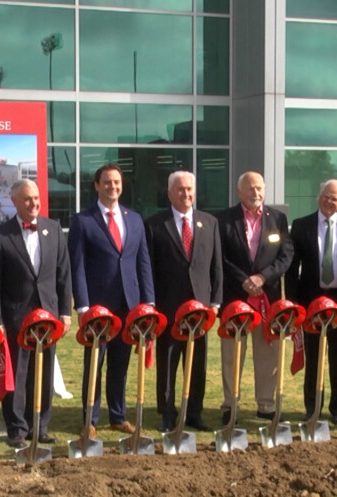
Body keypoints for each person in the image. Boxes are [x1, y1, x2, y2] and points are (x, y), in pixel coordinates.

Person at [68, 163, 155, 437]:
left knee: (120, 365)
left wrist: (148, 303)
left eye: (116, 182)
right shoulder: (83, 221)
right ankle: (89, 421)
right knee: (94, 364)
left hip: (128, 306)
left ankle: (118, 416)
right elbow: (77, 266)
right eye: (107, 182)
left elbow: (143, 263)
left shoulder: (134, 219)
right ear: (96, 185)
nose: (112, 187)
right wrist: (82, 306)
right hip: (97, 309)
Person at [0, 179, 72, 448]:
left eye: (36, 198)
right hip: (15, 318)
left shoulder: (53, 229)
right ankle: (16, 428)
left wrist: (64, 312)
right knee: (18, 373)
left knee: (45, 371)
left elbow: (63, 274)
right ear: (14, 201)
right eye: (27, 199)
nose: (33, 203)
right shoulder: (0, 236)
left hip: (48, 318)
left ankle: (40, 424)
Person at [145, 170, 223, 432]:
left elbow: (216, 267)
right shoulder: (155, 224)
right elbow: (149, 267)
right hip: (168, 307)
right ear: (170, 193)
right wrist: (151, 303)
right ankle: (167, 413)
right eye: (180, 189)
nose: (186, 194)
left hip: (201, 309)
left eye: (189, 189)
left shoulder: (209, 222)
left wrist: (215, 302)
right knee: (167, 362)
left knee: (198, 362)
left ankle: (194, 412)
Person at [285, 179, 337, 423]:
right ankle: (313, 407)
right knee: (314, 357)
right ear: (319, 197)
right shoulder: (301, 225)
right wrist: (293, 303)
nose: (329, 201)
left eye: (335, 198)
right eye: (326, 196)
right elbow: (292, 269)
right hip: (311, 302)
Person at [216, 171, 293, 424]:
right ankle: (230, 405)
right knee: (232, 353)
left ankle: (266, 405)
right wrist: (244, 280)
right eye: (250, 188)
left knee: (268, 351)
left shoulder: (278, 219)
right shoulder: (224, 219)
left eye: (259, 188)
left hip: (266, 296)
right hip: (235, 297)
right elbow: (220, 257)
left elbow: (285, 255)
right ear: (239, 191)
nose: (256, 193)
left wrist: (263, 277)